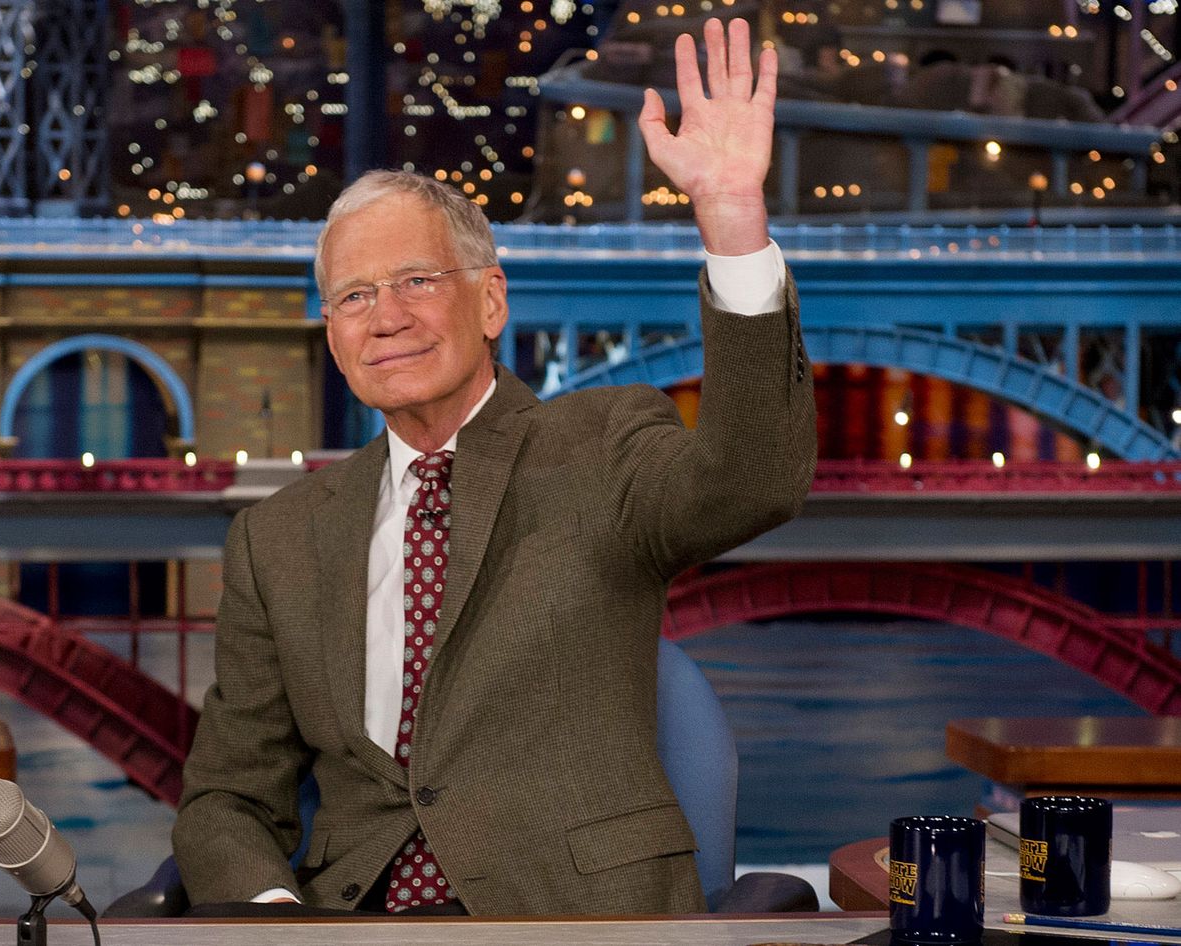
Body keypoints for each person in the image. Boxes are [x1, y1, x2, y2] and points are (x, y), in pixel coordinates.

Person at [173, 17, 815, 916]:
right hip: (357, 927)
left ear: (491, 300)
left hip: (573, 922)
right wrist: (280, 926)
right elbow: (227, 801)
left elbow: (754, 480)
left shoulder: (603, 443)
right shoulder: (276, 540)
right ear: (334, 336)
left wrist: (732, 219)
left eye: (416, 281)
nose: (384, 316)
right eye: (355, 296)